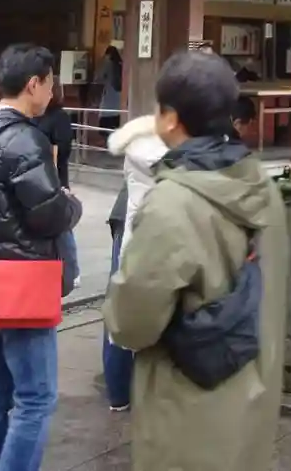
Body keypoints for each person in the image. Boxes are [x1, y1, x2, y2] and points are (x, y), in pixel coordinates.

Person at [103, 50, 289, 471]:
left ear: (170, 119)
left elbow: (131, 323)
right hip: (253, 405)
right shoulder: (264, 188)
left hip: (187, 420)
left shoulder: (172, 202)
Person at [0, 44, 81, 471]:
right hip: (25, 278)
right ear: (34, 84)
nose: (52, 93)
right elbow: (49, 213)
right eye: (50, 84)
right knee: (35, 398)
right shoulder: (26, 140)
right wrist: (71, 204)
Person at [100, 111, 169, 412]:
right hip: (161, 242)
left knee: (120, 312)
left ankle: (118, 394)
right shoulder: (181, 154)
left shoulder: (136, 143)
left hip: (131, 235)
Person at [34, 87, 79, 291]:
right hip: (36, 176)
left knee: (62, 228)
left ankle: (72, 270)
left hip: (56, 177)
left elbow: (64, 148)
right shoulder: (32, 114)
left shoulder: (59, 117)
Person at [97, 46, 124, 132]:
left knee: (105, 130)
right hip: (119, 104)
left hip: (108, 102)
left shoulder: (108, 63)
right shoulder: (121, 64)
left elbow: (99, 77)